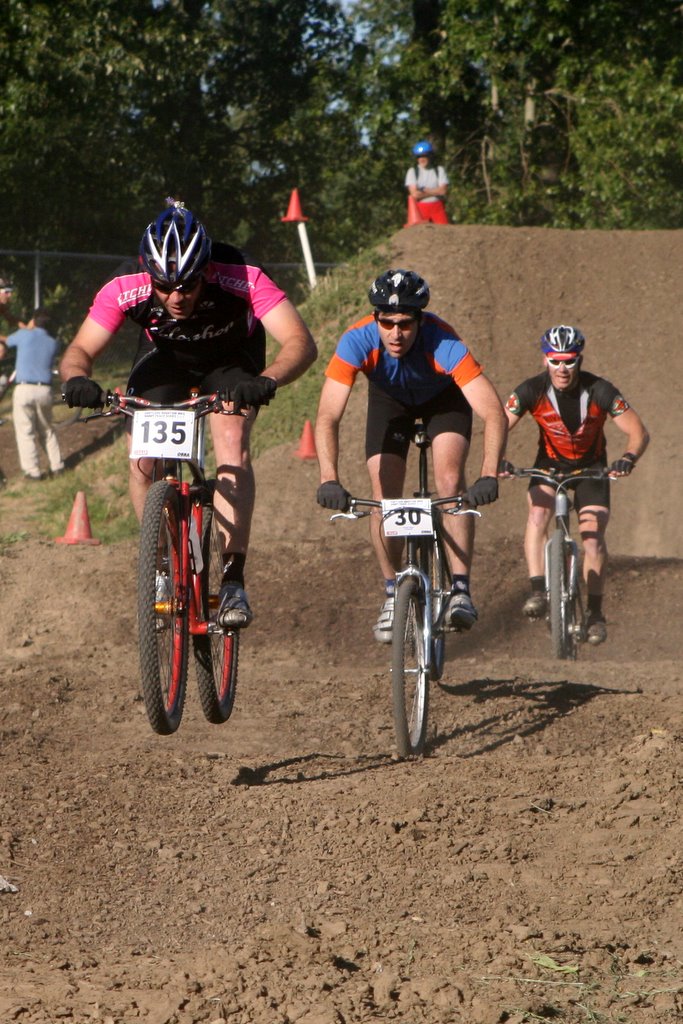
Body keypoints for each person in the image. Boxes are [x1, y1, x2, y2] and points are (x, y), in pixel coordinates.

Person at [60, 199, 317, 628]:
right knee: (143, 461)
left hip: (230, 361)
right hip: (166, 360)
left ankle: (233, 580)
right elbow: (80, 349)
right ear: (149, 274)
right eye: (164, 286)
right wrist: (76, 380)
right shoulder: (126, 284)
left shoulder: (242, 274)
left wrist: (267, 380)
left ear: (207, 271)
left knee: (231, 441)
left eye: (188, 285)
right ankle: (159, 570)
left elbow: (300, 343)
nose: (176, 297)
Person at [314, 268, 507, 642]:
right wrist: (328, 478)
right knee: (383, 493)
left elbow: (493, 411)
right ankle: (392, 593)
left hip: (443, 401)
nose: (396, 333)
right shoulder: (356, 341)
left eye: (404, 323)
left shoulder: (444, 344)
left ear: (420, 320)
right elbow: (327, 416)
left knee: (449, 479)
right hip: (390, 403)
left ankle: (461, 590)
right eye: (387, 323)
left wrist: (489, 474)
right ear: (376, 319)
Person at [503, 324, 649, 644]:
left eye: (569, 361)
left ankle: (595, 613)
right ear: (545, 360)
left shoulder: (601, 390)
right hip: (549, 466)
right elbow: (499, 426)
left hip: (591, 469)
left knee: (592, 537)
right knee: (538, 516)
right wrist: (495, 461)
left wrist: (628, 458)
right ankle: (538, 590)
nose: (562, 368)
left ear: (579, 360)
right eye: (555, 361)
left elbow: (638, 432)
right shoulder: (531, 389)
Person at [0, 309, 65, 480]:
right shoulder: (53, 343)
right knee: (47, 429)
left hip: (24, 388)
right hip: (45, 389)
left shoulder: (24, 335)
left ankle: (33, 471)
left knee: (25, 431)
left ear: (33, 321)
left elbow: (8, 341)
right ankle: (57, 466)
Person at [404, 141, 449, 224]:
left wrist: (425, 191)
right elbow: (415, 195)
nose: (421, 159)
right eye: (419, 157)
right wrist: (435, 191)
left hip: (438, 208)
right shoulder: (412, 172)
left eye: (424, 156)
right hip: (420, 210)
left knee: (444, 233)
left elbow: (443, 191)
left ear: (430, 156)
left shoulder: (439, 170)